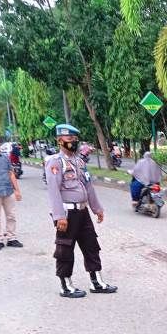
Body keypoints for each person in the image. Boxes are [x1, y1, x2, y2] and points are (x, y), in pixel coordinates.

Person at [45, 124, 117, 298]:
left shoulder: (79, 161)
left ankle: (96, 282)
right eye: (69, 138)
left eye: (75, 139)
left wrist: (97, 208)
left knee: (91, 246)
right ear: (60, 140)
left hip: (83, 212)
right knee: (65, 249)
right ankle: (66, 285)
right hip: (67, 213)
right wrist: (59, 216)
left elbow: (88, 186)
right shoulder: (56, 162)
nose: (73, 142)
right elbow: (54, 191)